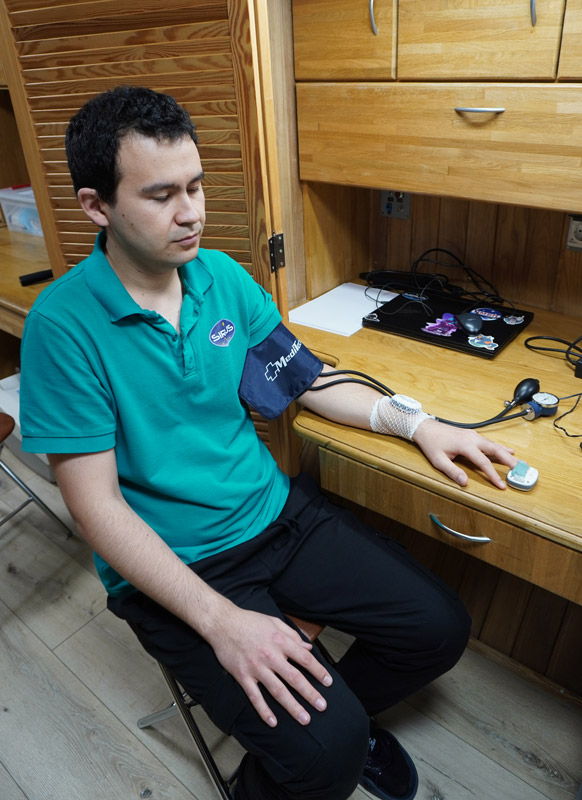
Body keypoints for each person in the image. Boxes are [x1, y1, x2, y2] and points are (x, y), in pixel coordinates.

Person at [20, 86, 518, 800]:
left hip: (275, 515)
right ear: (97, 206)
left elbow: (304, 381)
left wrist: (417, 423)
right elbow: (95, 510)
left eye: (195, 186)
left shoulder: (221, 276)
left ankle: (336, 721)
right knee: (325, 760)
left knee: (438, 629)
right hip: (181, 564)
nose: (191, 212)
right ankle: (309, 752)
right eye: (161, 195)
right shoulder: (62, 326)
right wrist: (223, 622)